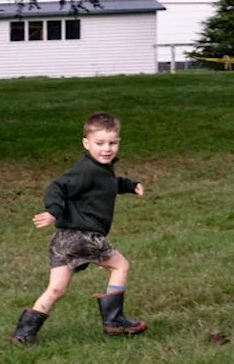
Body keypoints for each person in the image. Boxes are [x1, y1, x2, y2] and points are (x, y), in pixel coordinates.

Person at [11, 111, 147, 345]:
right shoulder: (86, 170)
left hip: (62, 241)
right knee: (121, 265)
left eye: (112, 143)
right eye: (100, 143)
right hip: (83, 237)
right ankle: (114, 320)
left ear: (119, 142)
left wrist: (129, 185)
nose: (107, 149)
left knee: (56, 289)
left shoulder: (100, 170)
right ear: (86, 143)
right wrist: (53, 211)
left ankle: (23, 333)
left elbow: (108, 185)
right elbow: (57, 187)